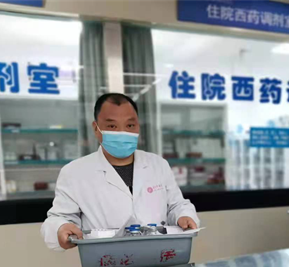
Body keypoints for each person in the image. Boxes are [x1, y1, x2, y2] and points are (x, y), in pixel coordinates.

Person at [41, 93, 199, 250]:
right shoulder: (74, 172)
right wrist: (61, 228)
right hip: (106, 261)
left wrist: (183, 216)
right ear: (96, 129)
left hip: (160, 257)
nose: (122, 132)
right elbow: (59, 218)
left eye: (130, 125)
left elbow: (176, 205)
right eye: (112, 126)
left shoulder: (158, 164)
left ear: (138, 127)